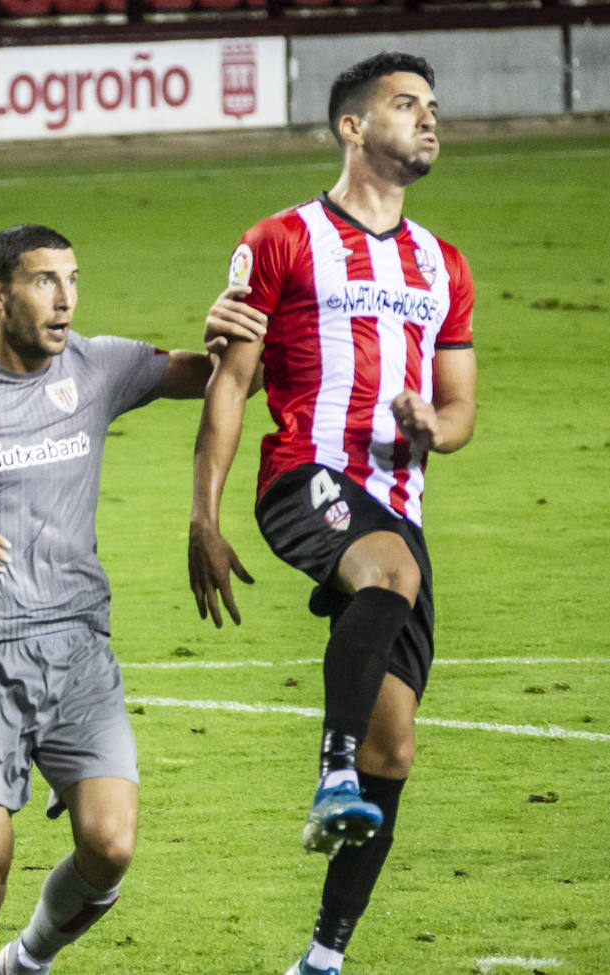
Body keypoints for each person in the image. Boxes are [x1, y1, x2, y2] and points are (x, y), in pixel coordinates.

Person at [0, 224, 263, 975]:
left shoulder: (100, 366)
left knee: (111, 845)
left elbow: (228, 379)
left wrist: (234, 336)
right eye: (43, 282)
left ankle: (26, 960)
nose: (64, 301)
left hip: (78, 654)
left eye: (72, 280)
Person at [186, 52, 477, 975]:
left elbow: (461, 407)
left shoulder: (444, 263)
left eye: (432, 106)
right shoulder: (278, 239)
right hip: (304, 475)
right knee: (392, 573)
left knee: (397, 746)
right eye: (405, 105)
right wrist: (204, 512)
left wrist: (437, 423)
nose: (428, 119)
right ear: (353, 127)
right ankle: (330, 769)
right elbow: (232, 384)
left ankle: (321, 956)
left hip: (397, 504)